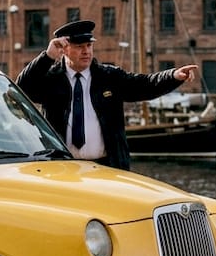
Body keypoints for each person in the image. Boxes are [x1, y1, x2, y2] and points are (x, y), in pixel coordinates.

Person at [17, 19, 198, 170]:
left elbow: (145, 85)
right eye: (80, 46)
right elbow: (21, 88)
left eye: (89, 45)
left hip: (107, 167)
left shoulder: (109, 77)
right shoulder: (51, 80)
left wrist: (173, 75)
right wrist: (47, 57)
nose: (86, 51)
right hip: (63, 168)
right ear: (64, 49)